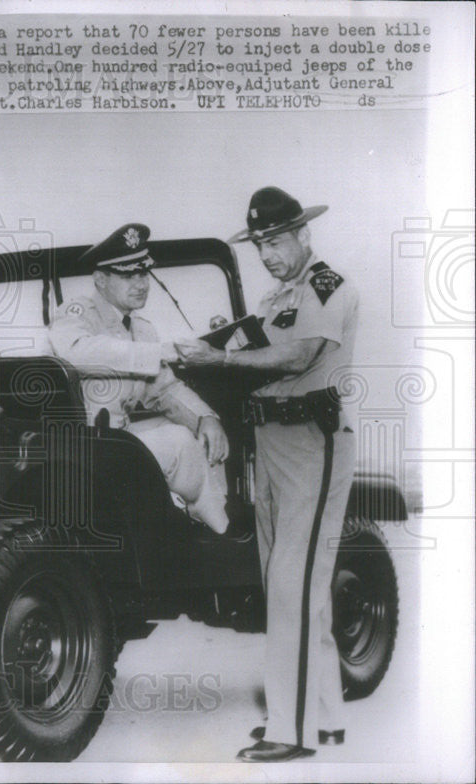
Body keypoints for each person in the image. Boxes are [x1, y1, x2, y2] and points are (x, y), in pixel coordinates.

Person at [176, 187, 359, 762]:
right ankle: (325, 717)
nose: (269, 255)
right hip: (271, 442)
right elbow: (251, 342)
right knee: (296, 585)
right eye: (260, 246)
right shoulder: (277, 297)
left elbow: (297, 357)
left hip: (311, 440)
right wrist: (202, 350)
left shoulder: (329, 287)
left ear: (304, 235)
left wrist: (222, 360)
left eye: (277, 241)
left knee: (290, 586)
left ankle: (292, 729)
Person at [48, 223, 230, 534]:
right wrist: (160, 351)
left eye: (143, 273)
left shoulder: (141, 329)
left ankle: (211, 525)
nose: (141, 283)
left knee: (201, 435)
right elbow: (77, 353)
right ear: (101, 280)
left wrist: (206, 418)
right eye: (128, 275)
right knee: (178, 441)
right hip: (78, 447)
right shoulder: (76, 314)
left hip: (116, 439)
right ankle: (218, 534)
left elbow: (164, 390)